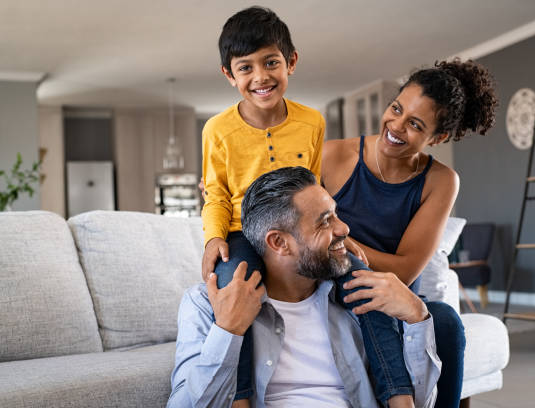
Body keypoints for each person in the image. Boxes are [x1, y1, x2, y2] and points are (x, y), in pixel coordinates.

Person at [201, 6, 414, 406]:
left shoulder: (312, 121)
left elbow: (314, 188)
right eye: (245, 68)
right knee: (234, 289)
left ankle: (398, 394)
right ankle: (241, 398)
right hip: (241, 230)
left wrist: (332, 231)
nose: (260, 76)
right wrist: (214, 238)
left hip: (300, 229)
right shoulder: (217, 130)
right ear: (229, 75)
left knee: (364, 280)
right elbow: (215, 193)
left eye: (271, 62)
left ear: (291, 62)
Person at [168, 166, 441, 408]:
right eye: (325, 221)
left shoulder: (360, 298)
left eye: (336, 215)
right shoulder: (206, 304)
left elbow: (420, 403)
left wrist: (417, 315)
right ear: (279, 242)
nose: (344, 229)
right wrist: (227, 331)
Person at [322, 59, 499, 408]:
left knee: (446, 320)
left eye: (415, 124)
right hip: (338, 288)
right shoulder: (332, 155)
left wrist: (345, 243)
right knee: (361, 289)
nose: (396, 126)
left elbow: (404, 270)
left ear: (438, 137)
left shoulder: (441, 180)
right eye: (396, 108)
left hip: (400, 299)